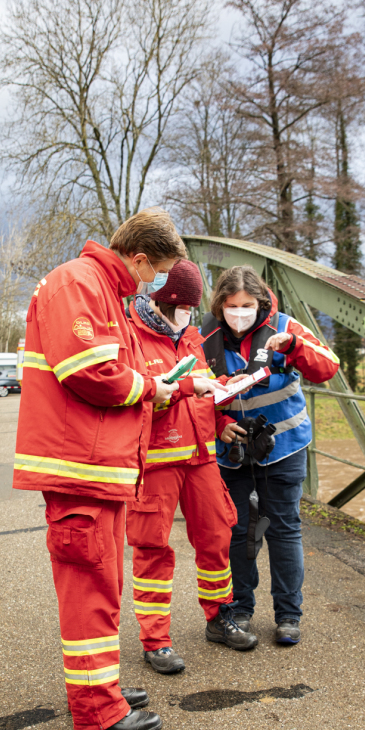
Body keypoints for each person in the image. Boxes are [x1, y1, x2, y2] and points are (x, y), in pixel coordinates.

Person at [13, 207, 185, 730]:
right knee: (90, 588)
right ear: (137, 258)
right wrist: (150, 389)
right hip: (80, 466)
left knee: (103, 584)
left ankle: (100, 685)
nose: (153, 285)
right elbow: (87, 369)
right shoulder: (81, 283)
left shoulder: (102, 288)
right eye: (153, 273)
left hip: (98, 466)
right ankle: (97, 709)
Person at [126, 260, 258, 672]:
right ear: (165, 302)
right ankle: (155, 640)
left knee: (217, 537)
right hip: (157, 463)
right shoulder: (132, 337)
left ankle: (219, 618)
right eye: (184, 307)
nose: (188, 315)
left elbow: (201, 395)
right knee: (152, 550)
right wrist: (184, 387)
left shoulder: (190, 338)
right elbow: (140, 398)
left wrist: (221, 423)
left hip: (201, 458)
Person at [201, 264, 339, 645]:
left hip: (285, 445)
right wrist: (217, 423)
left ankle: (288, 616)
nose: (240, 312)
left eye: (247, 305)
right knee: (237, 532)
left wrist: (293, 347)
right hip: (232, 450)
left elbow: (328, 367)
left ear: (260, 302)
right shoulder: (202, 336)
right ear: (220, 306)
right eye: (232, 305)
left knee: (283, 530)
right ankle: (240, 609)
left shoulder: (285, 326)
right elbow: (189, 392)